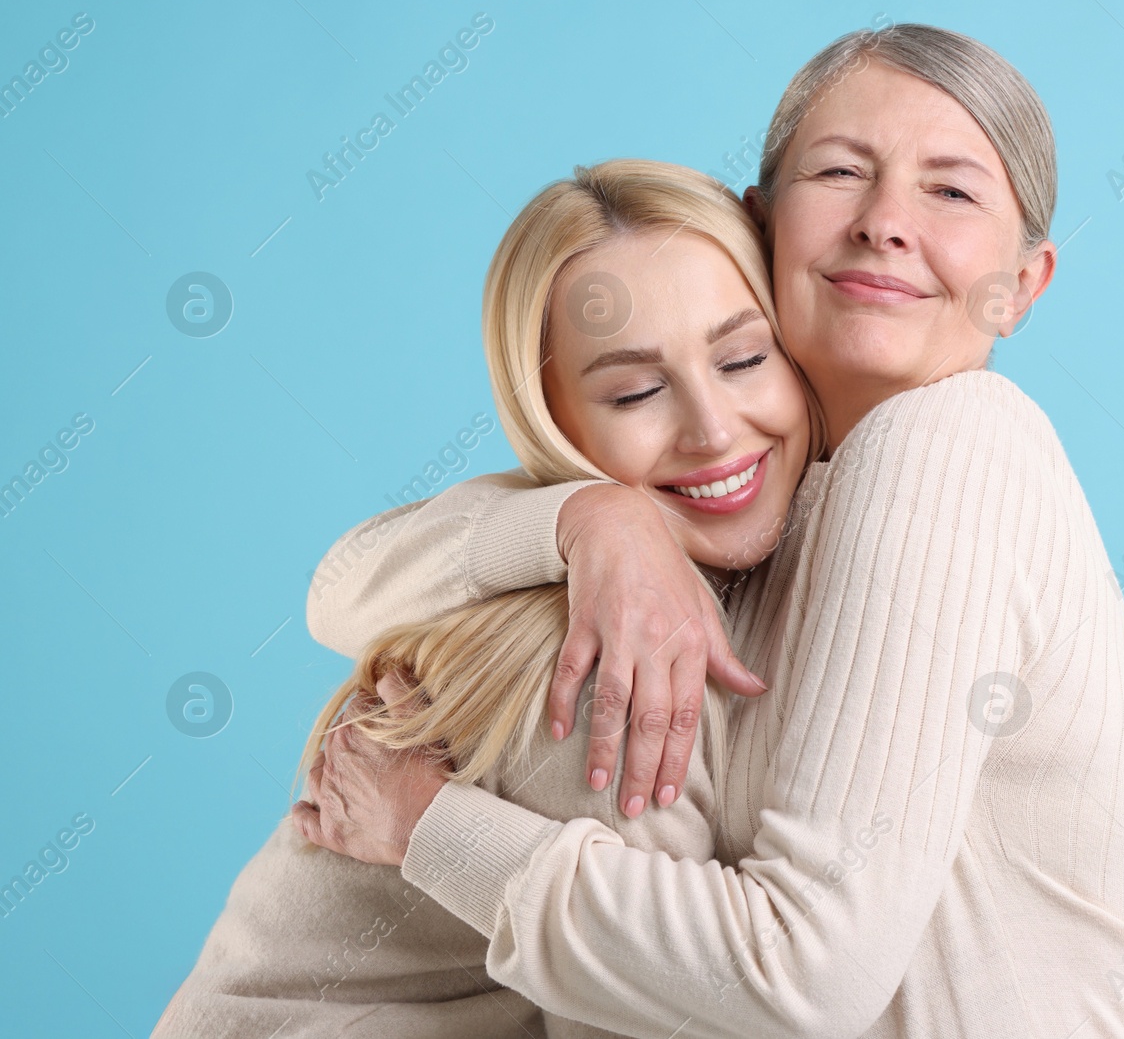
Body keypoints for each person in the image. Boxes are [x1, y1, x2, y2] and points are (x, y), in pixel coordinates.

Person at [298, 25, 1124, 1037]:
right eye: (842, 171)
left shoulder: (945, 439)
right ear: (762, 227)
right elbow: (345, 581)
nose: (885, 222)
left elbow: (797, 975)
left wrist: (426, 826)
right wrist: (594, 517)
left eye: (951, 189)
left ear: (1023, 284)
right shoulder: (753, 513)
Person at [153, 159, 817, 1038]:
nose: (714, 427)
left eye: (742, 357)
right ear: (555, 424)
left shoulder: (758, 550)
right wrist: (595, 515)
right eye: (636, 391)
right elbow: (669, 1012)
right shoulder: (609, 664)